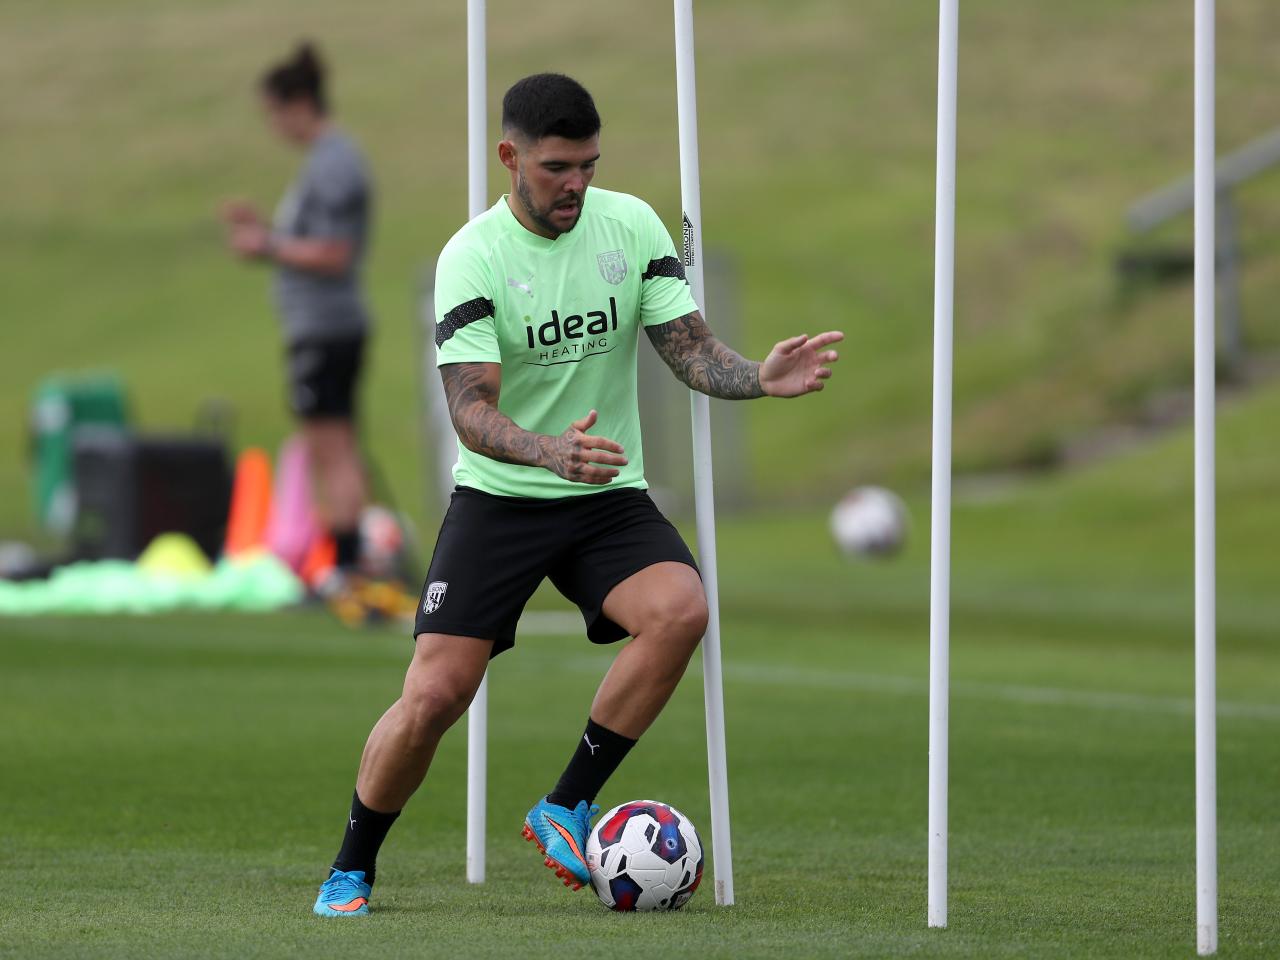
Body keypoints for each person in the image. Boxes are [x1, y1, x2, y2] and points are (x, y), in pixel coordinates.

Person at [313, 73, 842, 917]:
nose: (577, 184)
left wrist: (756, 379)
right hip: (501, 496)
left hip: (604, 491)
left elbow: (687, 347)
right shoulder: (473, 257)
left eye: (589, 165)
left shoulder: (629, 224)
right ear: (509, 157)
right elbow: (468, 408)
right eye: (559, 167)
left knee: (682, 609)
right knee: (436, 695)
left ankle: (566, 802)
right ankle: (352, 865)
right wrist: (548, 452)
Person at [221, 42, 372, 589]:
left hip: (326, 327)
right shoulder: (325, 162)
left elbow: (334, 252)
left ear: (298, 104)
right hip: (323, 327)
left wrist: (265, 245)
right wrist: (270, 233)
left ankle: (348, 565)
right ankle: (347, 561)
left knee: (332, 449)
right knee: (331, 446)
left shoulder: (334, 163)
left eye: (274, 113)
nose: (274, 126)